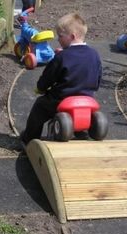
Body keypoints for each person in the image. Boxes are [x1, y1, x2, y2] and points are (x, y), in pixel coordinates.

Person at [21, 12, 102, 145]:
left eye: (60, 36)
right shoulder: (94, 55)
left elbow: (48, 76)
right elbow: (98, 77)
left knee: (40, 106)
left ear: (72, 36)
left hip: (62, 99)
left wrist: (40, 88)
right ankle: (82, 132)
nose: (58, 39)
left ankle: (29, 138)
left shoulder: (62, 57)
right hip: (87, 99)